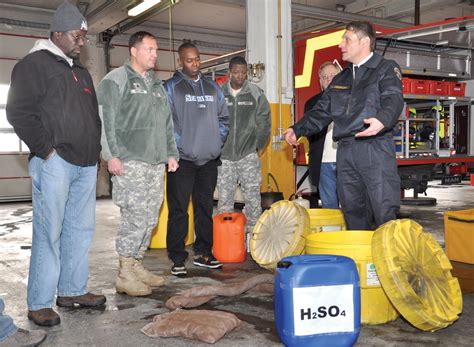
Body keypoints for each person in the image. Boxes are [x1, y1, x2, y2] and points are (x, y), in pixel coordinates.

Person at [6, 1, 106, 326]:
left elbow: (93, 116)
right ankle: (39, 302)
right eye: (77, 36)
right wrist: (45, 150)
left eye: (83, 37)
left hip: (85, 163)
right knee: (49, 232)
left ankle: (72, 291)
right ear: (58, 33)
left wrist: (97, 153)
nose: (81, 42)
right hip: (55, 162)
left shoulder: (80, 71)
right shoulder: (33, 64)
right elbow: (18, 111)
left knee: (80, 230)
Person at [284, 21, 403, 230]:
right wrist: (298, 128)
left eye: (347, 39)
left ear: (365, 42)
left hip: (374, 147)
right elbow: (321, 112)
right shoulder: (342, 78)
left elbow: (393, 99)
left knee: (383, 209)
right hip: (346, 151)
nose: (341, 45)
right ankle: (360, 260)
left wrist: (383, 119)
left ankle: (389, 261)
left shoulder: (385, 68)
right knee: (352, 210)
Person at [97, 31, 179, 296]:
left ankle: (136, 264)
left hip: (155, 163)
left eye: (156, 50)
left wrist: (171, 153)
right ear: (134, 50)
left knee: (149, 217)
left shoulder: (157, 85)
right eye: (150, 49)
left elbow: (167, 124)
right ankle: (124, 273)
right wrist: (111, 155)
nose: (155, 54)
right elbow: (105, 121)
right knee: (134, 217)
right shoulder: (115, 80)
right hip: (129, 161)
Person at [164, 42, 230, 276]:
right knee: (179, 210)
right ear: (180, 62)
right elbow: (166, 122)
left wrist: (215, 143)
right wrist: (179, 147)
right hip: (182, 161)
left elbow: (224, 118)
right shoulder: (171, 87)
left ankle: (203, 253)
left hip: (208, 160)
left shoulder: (213, 87)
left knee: (204, 208)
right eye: (189, 60)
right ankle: (177, 257)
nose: (194, 64)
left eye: (197, 59)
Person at [217, 56, 271, 241]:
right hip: (224, 157)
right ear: (229, 73)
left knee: (253, 199)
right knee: (224, 200)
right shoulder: (219, 93)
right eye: (236, 72)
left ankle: (253, 240)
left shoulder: (255, 93)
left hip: (248, 155)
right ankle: (227, 240)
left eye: (243, 72)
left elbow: (264, 120)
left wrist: (258, 145)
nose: (240, 76)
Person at [303, 62, 341, 208]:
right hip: (323, 163)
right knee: (329, 207)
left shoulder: (351, 100)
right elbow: (308, 131)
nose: (328, 80)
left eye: (332, 76)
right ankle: (331, 231)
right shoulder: (312, 104)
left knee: (350, 206)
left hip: (346, 161)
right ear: (320, 81)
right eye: (324, 77)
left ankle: (349, 231)